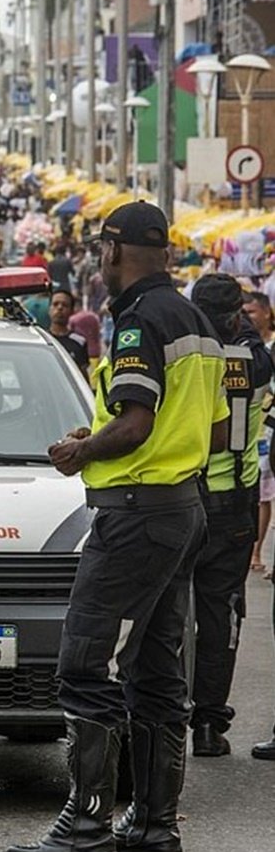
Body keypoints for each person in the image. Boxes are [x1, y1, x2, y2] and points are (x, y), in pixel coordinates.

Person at [3, 202, 228, 852]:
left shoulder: (137, 321)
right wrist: (109, 440)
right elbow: (213, 432)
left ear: (111, 249)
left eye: (101, 251)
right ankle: (155, 826)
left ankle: (86, 826)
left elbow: (133, 424)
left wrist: (83, 451)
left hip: (134, 514)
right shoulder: (197, 321)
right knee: (156, 674)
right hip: (181, 507)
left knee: (84, 663)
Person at [188, 276, 273, 757]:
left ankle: (159, 717)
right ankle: (208, 723)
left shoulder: (181, 353)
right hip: (232, 504)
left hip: (182, 493)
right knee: (219, 615)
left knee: (166, 612)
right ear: (236, 313)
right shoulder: (255, 359)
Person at [243, 291, 275, 573]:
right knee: (260, 490)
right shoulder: (244, 346)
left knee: (265, 493)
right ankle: (254, 550)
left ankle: (256, 551)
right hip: (253, 429)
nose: (247, 318)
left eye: (251, 312)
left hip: (269, 429)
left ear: (266, 313)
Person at [48, 288, 90, 379]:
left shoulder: (79, 342)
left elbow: (83, 376)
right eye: (55, 304)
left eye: (65, 305)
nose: (59, 308)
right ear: (49, 309)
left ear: (71, 311)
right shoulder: (42, 339)